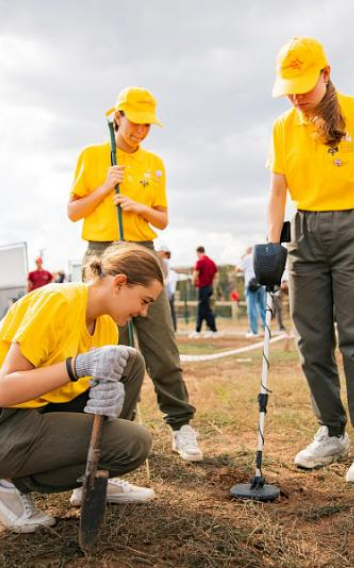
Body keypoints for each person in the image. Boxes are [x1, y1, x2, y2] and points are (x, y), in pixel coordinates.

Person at [0, 243, 161, 533]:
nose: (144, 312)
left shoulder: (106, 326)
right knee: (133, 443)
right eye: (144, 300)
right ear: (120, 283)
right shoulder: (57, 302)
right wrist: (78, 366)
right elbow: (5, 390)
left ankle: (92, 480)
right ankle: (5, 484)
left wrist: (107, 394)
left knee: (128, 361)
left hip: (35, 411)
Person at [266, 37, 354, 484]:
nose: (297, 97)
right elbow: (278, 193)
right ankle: (332, 431)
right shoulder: (283, 126)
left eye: (304, 86)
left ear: (326, 73)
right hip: (305, 233)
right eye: (290, 89)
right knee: (311, 340)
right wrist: (272, 246)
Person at [66, 86, 203, 461]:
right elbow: (74, 211)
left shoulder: (154, 163)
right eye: (136, 123)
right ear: (118, 117)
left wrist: (138, 207)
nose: (141, 131)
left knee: (162, 345)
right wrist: (105, 187)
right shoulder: (92, 156)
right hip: (102, 252)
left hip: (143, 250)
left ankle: (181, 424)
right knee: (111, 347)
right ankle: (118, 428)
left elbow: (162, 218)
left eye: (147, 125)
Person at [236, 246, 265, 337]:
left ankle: (254, 331)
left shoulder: (247, 257)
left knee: (252, 309)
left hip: (251, 286)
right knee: (263, 308)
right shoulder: (261, 258)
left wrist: (242, 258)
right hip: (261, 285)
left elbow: (238, 269)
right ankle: (266, 329)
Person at [191, 246, 219, 338]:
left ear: (198, 252)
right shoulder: (211, 262)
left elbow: (196, 273)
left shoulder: (200, 261)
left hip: (202, 287)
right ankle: (210, 329)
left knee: (202, 309)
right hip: (209, 287)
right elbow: (216, 275)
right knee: (205, 309)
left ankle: (200, 331)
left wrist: (194, 282)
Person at [157, 247, 179, 331]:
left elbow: (166, 281)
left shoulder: (165, 263)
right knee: (170, 311)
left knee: (168, 311)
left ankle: (172, 327)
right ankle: (173, 327)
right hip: (169, 292)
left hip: (168, 292)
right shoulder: (167, 264)